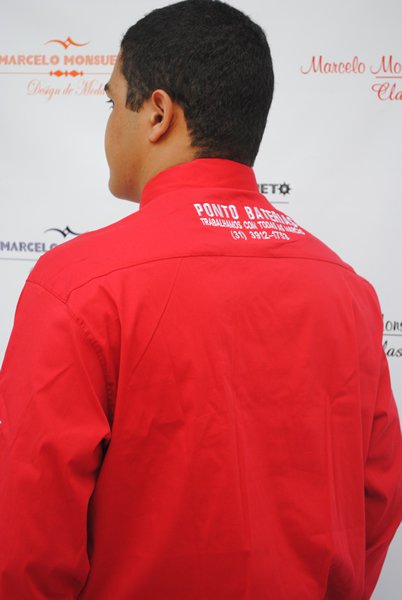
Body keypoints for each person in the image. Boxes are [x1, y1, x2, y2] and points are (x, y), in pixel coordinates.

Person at [0, 0, 401, 598]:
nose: (108, 123)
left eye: (112, 103)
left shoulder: (77, 284)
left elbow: (26, 543)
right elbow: (378, 500)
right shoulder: (349, 292)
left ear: (158, 113)